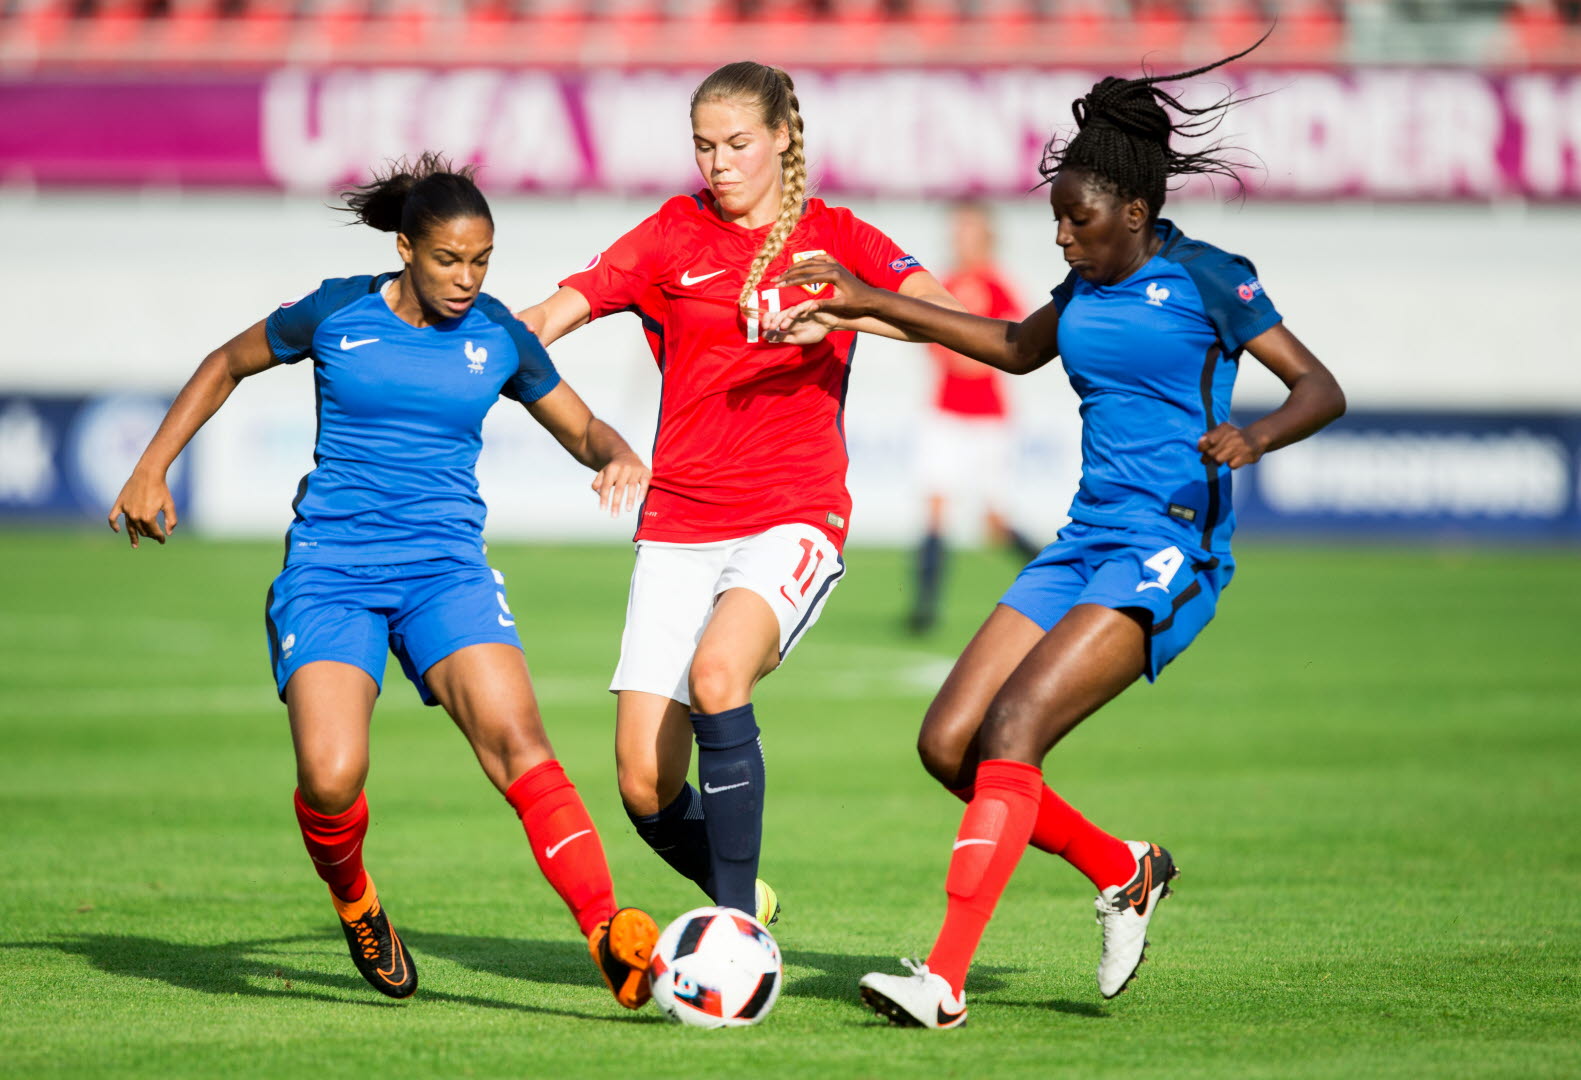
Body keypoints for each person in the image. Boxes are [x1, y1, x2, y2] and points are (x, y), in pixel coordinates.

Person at [768, 39, 1346, 1027]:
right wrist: (867, 303)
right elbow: (1009, 347)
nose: (1062, 240)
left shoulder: (1211, 278)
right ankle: (1125, 870)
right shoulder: (1082, 288)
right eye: (1056, 223)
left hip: (1172, 544)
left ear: (1134, 211)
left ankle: (943, 979)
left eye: (1077, 223)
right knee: (949, 743)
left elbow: (1321, 388)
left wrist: (1255, 434)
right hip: (1084, 538)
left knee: (1015, 730)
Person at [107, 154, 663, 1009]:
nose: (466, 278)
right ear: (406, 247)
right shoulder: (338, 311)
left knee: (520, 744)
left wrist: (620, 451)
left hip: (446, 572)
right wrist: (152, 468)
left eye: (481, 261)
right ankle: (356, 899)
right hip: (332, 572)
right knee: (331, 778)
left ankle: (607, 932)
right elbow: (226, 361)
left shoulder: (497, 336)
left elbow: (581, 426)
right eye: (449, 259)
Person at [516, 61, 962, 925]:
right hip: (679, 518)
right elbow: (549, 316)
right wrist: (449, 339)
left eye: (736, 145)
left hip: (793, 512)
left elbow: (944, 313)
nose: (717, 164)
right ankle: (741, 892)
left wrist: (845, 308)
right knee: (643, 786)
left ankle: (733, 935)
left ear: (783, 137)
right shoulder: (671, 233)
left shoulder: (837, 238)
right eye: (703, 146)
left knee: (719, 674)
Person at [910, 199, 1040, 634]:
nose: (959, 237)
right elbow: (933, 342)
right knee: (935, 507)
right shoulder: (940, 285)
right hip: (945, 412)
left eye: (968, 229)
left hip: (988, 417)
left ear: (985, 236)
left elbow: (1011, 346)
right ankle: (923, 610)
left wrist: (968, 354)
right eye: (956, 229)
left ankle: (1058, 580)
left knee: (994, 521)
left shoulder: (998, 285)